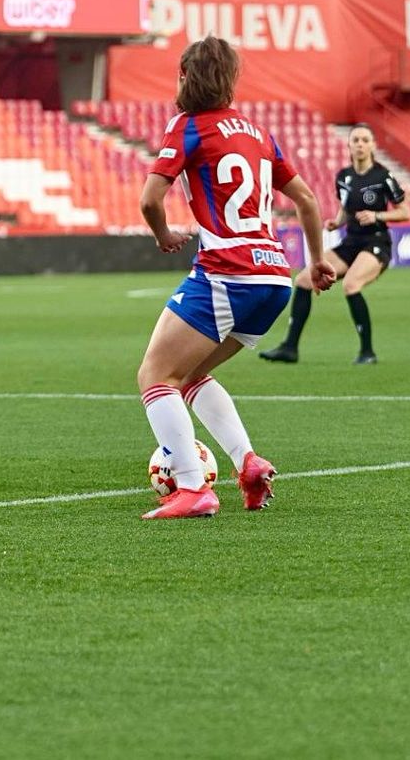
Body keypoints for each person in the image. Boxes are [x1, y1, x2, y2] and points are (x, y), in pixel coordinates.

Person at [136, 35, 335, 520]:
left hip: (227, 269)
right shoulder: (258, 133)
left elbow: (149, 199)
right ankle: (248, 465)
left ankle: (190, 486)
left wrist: (163, 235)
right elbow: (308, 200)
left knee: (154, 376)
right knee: (190, 376)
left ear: (185, 76)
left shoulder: (186, 126)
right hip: (274, 278)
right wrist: (317, 261)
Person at [261, 123, 408, 364]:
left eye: (364, 140)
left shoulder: (383, 176)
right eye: (355, 140)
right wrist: (336, 222)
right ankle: (290, 347)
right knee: (304, 280)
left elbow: (405, 212)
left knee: (351, 285)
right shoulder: (344, 177)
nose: (360, 144)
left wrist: (378, 216)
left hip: (376, 243)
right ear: (349, 145)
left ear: (373, 145)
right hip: (350, 242)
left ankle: (367, 352)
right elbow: (344, 208)